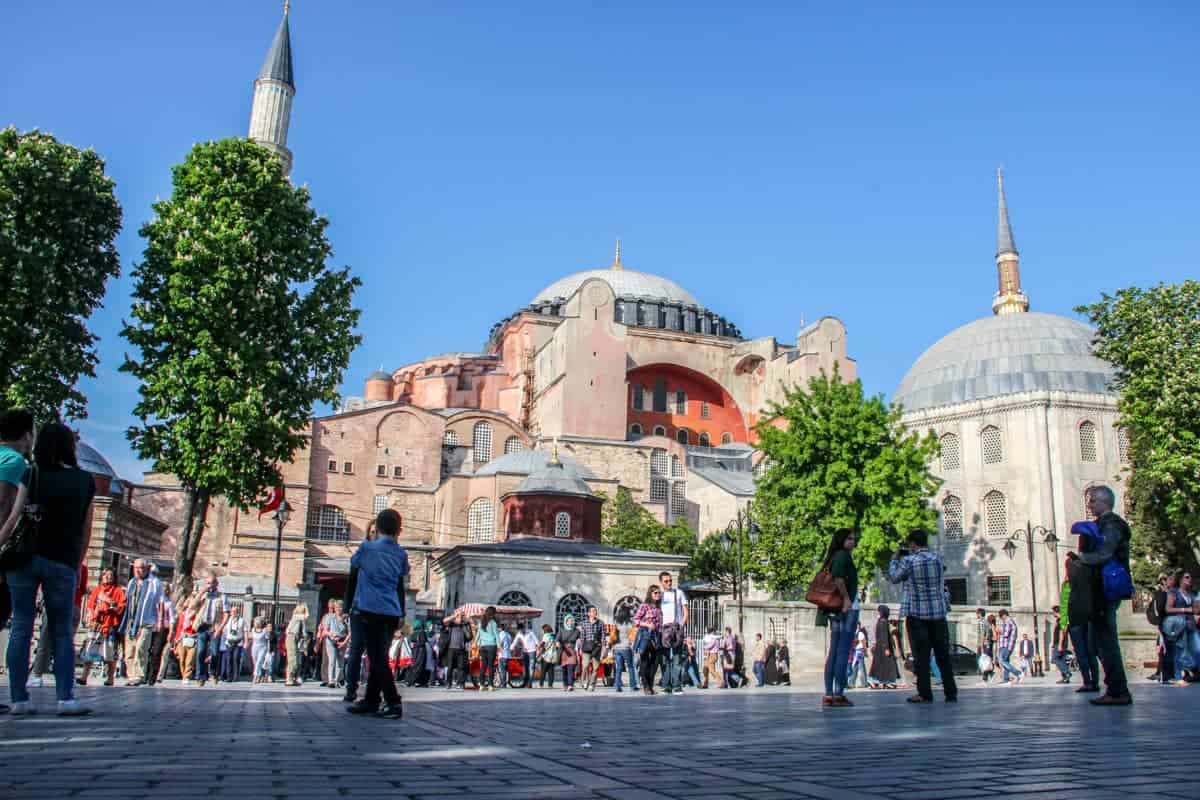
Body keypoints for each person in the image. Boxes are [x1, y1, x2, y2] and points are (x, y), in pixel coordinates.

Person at [2, 422, 96, 716]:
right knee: (60, 631)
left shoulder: (33, 473)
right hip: (62, 561)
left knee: (21, 625)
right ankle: (66, 698)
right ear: (70, 447)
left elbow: (15, 516)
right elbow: (86, 528)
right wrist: (76, 562)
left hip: (25, 558)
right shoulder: (85, 481)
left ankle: (19, 699)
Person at [345, 508, 409, 718]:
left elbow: (354, 565)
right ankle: (371, 700)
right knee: (379, 655)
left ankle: (393, 701)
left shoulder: (366, 548)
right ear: (399, 530)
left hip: (370, 608)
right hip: (391, 610)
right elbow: (403, 573)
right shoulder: (401, 554)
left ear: (378, 527)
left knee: (377, 659)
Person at [887, 528, 957, 704]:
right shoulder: (938, 559)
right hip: (938, 613)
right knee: (942, 655)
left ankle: (925, 693)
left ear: (912, 544)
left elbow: (894, 577)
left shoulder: (910, 561)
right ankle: (951, 692)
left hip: (917, 613)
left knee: (921, 656)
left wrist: (895, 559)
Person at [1078, 486, 1133, 706]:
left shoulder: (1111, 524)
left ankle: (1118, 690)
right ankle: (1115, 687)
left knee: (1106, 641)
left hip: (1107, 588)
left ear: (1104, 502)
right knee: (1098, 641)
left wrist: (1083, 558)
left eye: (1092, 501)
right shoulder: (1103, 524)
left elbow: (1105, 552)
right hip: (1099, 588)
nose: (1089, 505)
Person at [820, 528, 859, 707]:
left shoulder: (833, 556)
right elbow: (838, 579)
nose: (853, 541)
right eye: (850, 538)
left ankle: (829, 693)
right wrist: (847, 599)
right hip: (846, 608)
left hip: (833, 609)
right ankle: (838, 693)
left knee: (834, 650)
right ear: (842, 540)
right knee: (843, 650)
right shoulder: (843, 556)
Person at [119, 558, 165, 687]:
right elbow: (127, 601)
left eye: (141, 568)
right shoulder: (132, 582)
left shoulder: (154, 583)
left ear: (147, 569)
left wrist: (160, 620)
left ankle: (139, 676)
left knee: (141, 648)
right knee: (129, 651)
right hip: (131, 621)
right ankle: (131, 675)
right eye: (136, 568)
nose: (138, 570)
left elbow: (160, 602)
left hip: (146, 621)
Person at [80, 568, 126, 687]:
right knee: (89, 650)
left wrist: (111, 603)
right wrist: (91, 614)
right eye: (105, 575)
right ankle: (84, 676)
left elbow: (121, 607)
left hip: (109, 624)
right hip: (96, 624)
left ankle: (110, 678)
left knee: (109, 652)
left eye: (110, 575)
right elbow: (90, 605)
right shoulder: (97, 590)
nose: (107, 577)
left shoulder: (118, 591)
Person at [192, 573, 228, 686]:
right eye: (207, 583)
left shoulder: (222, 596)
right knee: (200, 652)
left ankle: (213, 673)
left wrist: (221, 628)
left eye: (211, 583)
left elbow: (226, 614)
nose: (209, 585)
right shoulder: (202, 595)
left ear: (216, 584)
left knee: (214, 653)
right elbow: (192, 606)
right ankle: (200, 676)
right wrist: (201, 592)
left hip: (215, 627)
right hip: (202, 626)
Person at [1165, 571, 1199, 685]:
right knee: (1180, 651)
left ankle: (1191, 669)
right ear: (1180, 579)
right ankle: (1178, 676)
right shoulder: (1173, 592)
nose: (1189, 579)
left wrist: (1196, 607)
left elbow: (1195, 610)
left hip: (1191, 625)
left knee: (1198, 649)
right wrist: (1185, 610)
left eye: (1190, 577)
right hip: (1180, 624)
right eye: (1187, 577)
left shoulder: (1191, 593)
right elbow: (1168, 609)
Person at [657, 571, 688, 695]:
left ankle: (676, 686)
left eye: (670, 580)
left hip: (676, 628)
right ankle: (666, 685)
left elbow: (686, 611)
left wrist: (682, 625)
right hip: (663, 629)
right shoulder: (659, 595)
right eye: (666, 581)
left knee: (677, 658)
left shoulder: (679, 593)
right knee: (664, 659)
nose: (669, 583)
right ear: (661, 582)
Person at [632, 584, 663, 695]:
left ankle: (650, 685)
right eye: (655, 592)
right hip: (645, 636)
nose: (658, 595)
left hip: (656, 636)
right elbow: (636, 620)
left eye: (659, 593)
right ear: (650, 594)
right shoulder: (644, 606)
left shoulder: (659, 607)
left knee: (654, 664)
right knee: (644, 661)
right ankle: (646, 686)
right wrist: (647, 624)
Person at [148, 585, 176, 684]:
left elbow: (172, 619)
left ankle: (152, 676)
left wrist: (171, 632)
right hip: (151, 626)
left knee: (157, 652)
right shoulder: (153, 601)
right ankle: (144, 673)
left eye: (166, 589)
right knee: (147, 650)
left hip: (163, 628)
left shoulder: (169, 603)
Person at [318, 599, 348, 688]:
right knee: (332, 660)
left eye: (341, 607)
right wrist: (331, 634)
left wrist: (344, 642)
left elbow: (350, 632)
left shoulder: (346, 618)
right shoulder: (329, 617)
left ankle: (337, 680)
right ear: (334, 608)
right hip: (330, 641)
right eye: (337, 607)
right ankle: (331, 681)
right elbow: (325, 630)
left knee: (340, 662)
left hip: (342, 641)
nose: (339, 609)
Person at [869, 606, 900, 689]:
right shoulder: (883, 622)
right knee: (889, 665)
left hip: (880, 648)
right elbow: (884, 636)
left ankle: (877, 681)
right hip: (883, 648)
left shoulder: (880, 622)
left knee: (879, 665)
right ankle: (887, 681)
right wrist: (886, 648)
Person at [441, 610, 472, 690]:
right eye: (459, 616)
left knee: (461, 667)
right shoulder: (452, 623)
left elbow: (469, 637)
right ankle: (448, 683)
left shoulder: (465, 624)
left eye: (461, 615)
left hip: (461, 649)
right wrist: (454, 616)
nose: (460, 617)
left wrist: (465, 622)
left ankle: (460, 683)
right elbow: (444, 621)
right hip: (451, 648)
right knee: (450, 667)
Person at [577, 606, 605, 691]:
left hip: (596, 647)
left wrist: (604, 648)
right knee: (585, 666)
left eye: (595, 611)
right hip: (586, 647)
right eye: (592, 611)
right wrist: (581, 648)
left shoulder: (600, 623)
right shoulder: (584, 623)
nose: (594, 613)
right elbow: (582, 637)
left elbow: (603, 636)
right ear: (588, 613)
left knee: (595, 667)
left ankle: (592, 684)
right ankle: (584, 681)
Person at [611, 608, 636, 692]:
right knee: (630, 667)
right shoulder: (629, 623)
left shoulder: (616, 623)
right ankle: (633, 685)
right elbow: (633, 635)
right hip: (626, 647)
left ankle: (617, 685)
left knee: (619, 668)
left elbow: (612, 635)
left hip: (616, 648)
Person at [221, 604, 247, 682]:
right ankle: (229, 676)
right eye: (232, 611)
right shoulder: (228, 620)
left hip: (238, 642)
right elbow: (224, 630)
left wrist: (246, 642)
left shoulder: (242, 620)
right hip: (229, 641)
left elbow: (245, 631)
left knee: (236, 659)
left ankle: (236, 677)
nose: (233, 613)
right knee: (229, 659)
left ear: (238, 612)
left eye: (235, 611)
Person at [995, 609, 1022, 685]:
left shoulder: (1009, 622)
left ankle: (1018, 673)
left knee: (1002, 661)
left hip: (1006, 645)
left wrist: (998, 630)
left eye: (1001, 617)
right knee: (1005, 661)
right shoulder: (1008, 622)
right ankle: (1006, 679)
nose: (1001, 619)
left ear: (1004, 615)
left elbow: (1006, 634)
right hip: (1005, 645)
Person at [476, 606, 500, 691]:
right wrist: (499, 646)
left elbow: (478, 634)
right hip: (491, 646)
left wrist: (475, 643)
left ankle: (481, 685)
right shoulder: (493, 623)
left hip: (483, 646)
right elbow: (496, 635)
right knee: (491, 666)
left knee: (483, 665)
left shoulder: (481, 622)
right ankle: (490, 685)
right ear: (493, 613)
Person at [557, 613, 581, 692]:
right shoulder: (561, 630)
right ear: (566, 622)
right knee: (564, 669)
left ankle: (570, 685)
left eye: (572, 621)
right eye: (569, 621)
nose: (571, 622)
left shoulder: (576, 631)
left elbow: (580, 639)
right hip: (564, 651)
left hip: (572, 651)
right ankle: (565, 684)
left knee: (571, 668)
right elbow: (557, 639)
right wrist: (557, 643)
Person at [1050, 604, 1072, 684]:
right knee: (1061, 659)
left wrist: (1060, 644)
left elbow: (1063, 633)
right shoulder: (1059, 620)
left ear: (1056, 612)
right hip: (1059, 643)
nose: (1053, 614)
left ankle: (1067, 672)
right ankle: (1065, 678)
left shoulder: (1062, 620)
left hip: (1060, 643)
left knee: (1055, 659)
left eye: (1053, 612)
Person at [249, 616, 272, 683]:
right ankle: (259, 675)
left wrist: (268, 649)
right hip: (254, 647)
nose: (254, 623)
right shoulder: (253, 629)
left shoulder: (264, 630)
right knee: (255, 662)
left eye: (255, 622)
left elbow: (267, 640)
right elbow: (252, 638)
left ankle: (255, 676)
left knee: (259, 662)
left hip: (262, 647)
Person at [848, 623, 869, 689]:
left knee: (861, 667)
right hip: (855, 651)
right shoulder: (853, 633)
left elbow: (864, 643)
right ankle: (851, 683)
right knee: (854, 667)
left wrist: (865, 652)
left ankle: (864, 683)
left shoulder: (860, 633)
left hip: (860, 651)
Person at [518, 624, 538, 689]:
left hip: (532, 651)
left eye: (521, 630)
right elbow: (515, 642)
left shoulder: (530, 632)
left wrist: (538, 648)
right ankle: (525, 682)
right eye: (519, 631)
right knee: (525, 668)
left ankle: (529, 683)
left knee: (531, 668)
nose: (521, 632)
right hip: (525, 652)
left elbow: (536, 641)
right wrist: (511, 648)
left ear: (524, 628)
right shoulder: (519, 634)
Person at [497, 623, 513, 689]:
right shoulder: (508, 634)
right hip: (508, 655)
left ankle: (503, 684)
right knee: (506, 670)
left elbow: (499, 644)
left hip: (502, 654)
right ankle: (506, 682)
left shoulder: (501, 634)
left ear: (500, 628)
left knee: (502, 670)